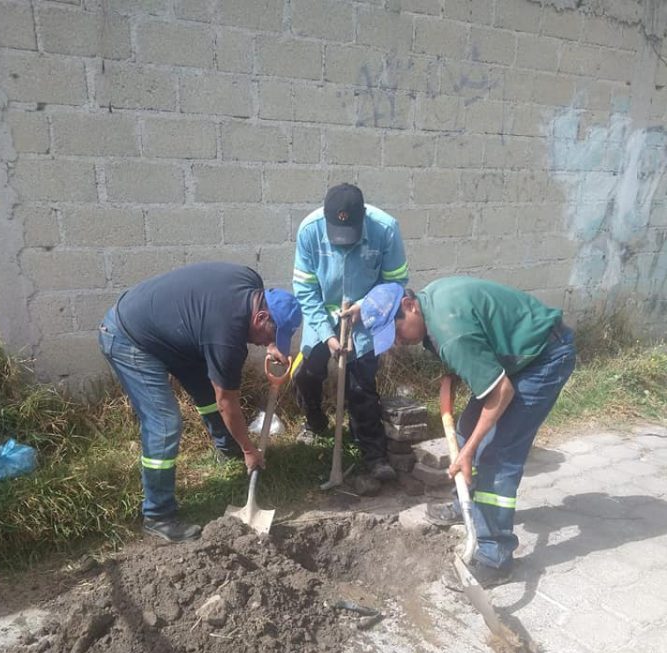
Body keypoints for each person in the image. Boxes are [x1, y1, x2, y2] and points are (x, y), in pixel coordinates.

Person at [344, 277, 576, 584]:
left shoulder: (451, 335)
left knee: (497, 454)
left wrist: (468, 453)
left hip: (544, 358)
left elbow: (500, 393)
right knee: (466, 427)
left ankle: (495, 558)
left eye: (396, 330)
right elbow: (477, 330)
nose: (398, 341)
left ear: (409, 305)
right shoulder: (430, 303)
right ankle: (466, 502)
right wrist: (453, 372)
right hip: (522, 353)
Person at [98, 262, 301, 543]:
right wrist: (250, 448)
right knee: (164, 424)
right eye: (270, 335)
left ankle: (226, 448)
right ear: (260, 316)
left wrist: (270, 343)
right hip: (128, 337)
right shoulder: (227, 337)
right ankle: (158, 515)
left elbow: (219, 390)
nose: (264, 343)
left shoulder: (250, 282)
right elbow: (226, 402)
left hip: (172, 334)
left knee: (206, 390)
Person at [292, 183, 409, 482]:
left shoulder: (386, 229)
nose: (344, 244)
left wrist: (366, 307)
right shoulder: (309, 230)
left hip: (364, 317)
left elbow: (395, 282)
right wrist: (326, 334)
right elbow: (305, 289)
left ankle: (373, 454)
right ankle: (315, 422)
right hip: (322, 316)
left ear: (362, 218)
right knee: (306, 374)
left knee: (361, 386)